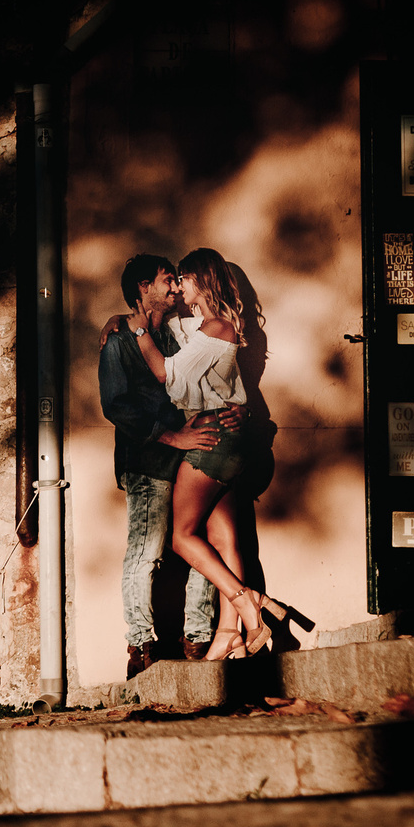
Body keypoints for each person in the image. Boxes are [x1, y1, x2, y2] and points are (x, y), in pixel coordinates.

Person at [120, 246, 280, 660]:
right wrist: (119, 321)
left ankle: (245, 601)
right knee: (224, 536)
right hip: (230, 438)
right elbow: (169, 327)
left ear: (201, 281)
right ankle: (231, 635)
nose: (178, 286)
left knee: (181, 536)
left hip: (213, 437)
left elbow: (166, 373)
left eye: (184, 279)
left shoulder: (217, 328)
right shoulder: (203, 326)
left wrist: (137, 334)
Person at [99, 253, 241, 677]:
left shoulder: (178, 334)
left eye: (179, 282)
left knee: (197, 544)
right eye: (167, 282)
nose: (176, 289)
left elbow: (215, 375)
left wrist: (239, 409)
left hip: (187, 458)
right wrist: (172, 436)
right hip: (146, 460)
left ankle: (198, 637)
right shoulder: (119, 340)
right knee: (147, 553)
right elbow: (116, 406)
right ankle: (140, 646)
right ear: (144, 288)